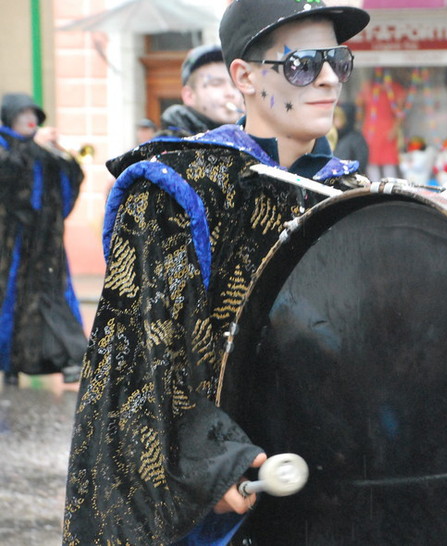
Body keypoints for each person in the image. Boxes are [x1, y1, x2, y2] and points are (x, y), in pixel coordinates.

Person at [63, 0, 370, 544]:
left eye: (338, 61)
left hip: (332, 492)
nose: (327, 78)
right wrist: (216, 458)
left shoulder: (352, 198)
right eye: (302, 63)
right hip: (220, 506)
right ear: (244, 77)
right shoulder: (178, 190)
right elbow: (141, 358)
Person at [0, 94, 86, 386]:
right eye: (22, 113)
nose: (29, 119)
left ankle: (69, 358)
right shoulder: (4, 146)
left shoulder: (42, 150)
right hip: (11, 245)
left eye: (32, 113)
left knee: (53, 298)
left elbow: (67, 187)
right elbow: (10, 182)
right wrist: (32, 150)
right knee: (10, 302)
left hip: (45, 246)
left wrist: (65, 158)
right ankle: (9, 364)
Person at [159, 44, 242, 137]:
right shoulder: (169, 146)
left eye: (235, 84)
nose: (230, 93)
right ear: (189, 96)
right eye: (216, 83)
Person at [357, 67, 406, 180]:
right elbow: (359, 106)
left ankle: (392, 189)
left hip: (388, 129)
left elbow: (400, 113)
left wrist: (395, 129)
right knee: (371, 160)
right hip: (371, 129)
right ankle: (375, 188)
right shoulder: (369, 88)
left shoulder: (394, 89)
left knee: (389, 161)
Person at [333, 101, 368, 173]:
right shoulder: (332, 137)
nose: (333, 121)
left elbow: (360, 166)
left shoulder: (356, 139)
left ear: (346, 119)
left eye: (337, 118)